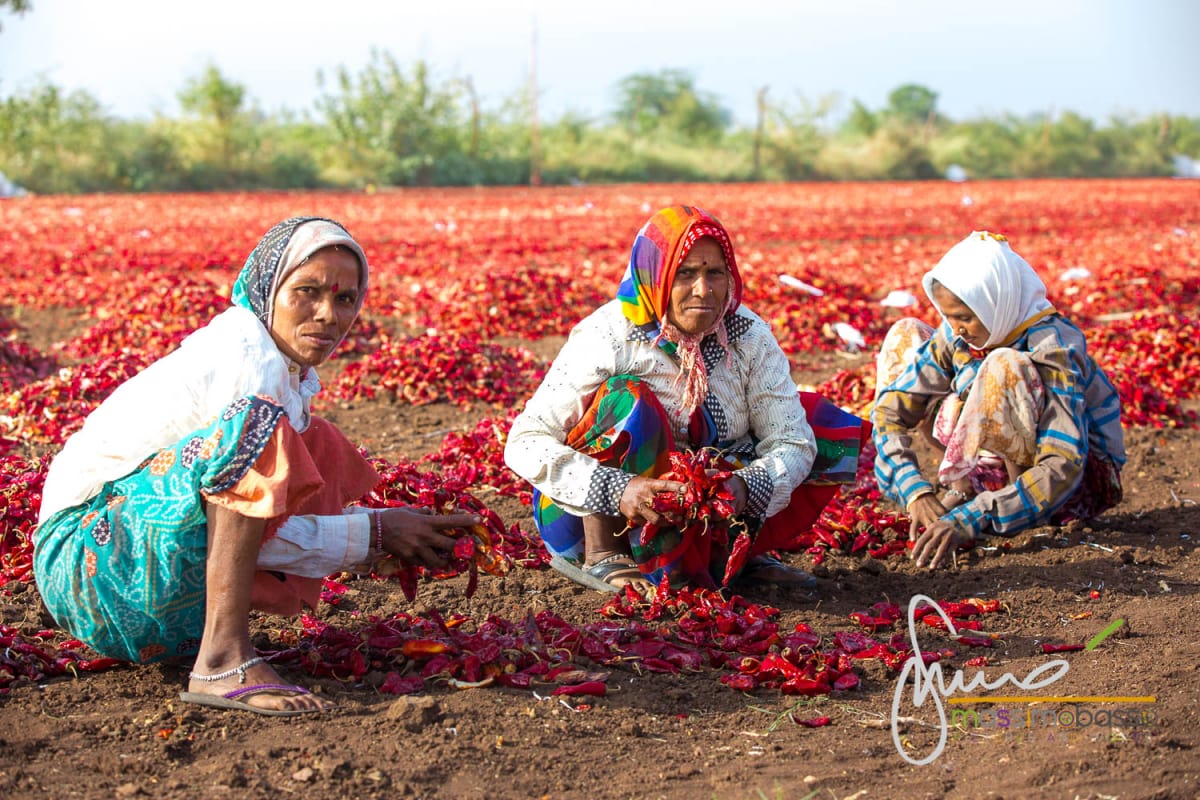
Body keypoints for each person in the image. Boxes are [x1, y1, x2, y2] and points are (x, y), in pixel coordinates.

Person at [34, 217, 480, 716]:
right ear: (268, 289)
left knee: (318, 443)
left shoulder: (288, 372)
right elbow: (240, 508)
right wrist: (371, 533)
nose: (327, 314)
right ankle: (222, 656)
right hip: (90, 561)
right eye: (306, 292)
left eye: (344, 299)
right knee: (258, 427)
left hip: (141, 574)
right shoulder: (250, 361)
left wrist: (373, 536)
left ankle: (215, 644)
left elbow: (251, 523)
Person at [504, 204, 867, 594]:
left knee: (817, 423)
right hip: (607, 506)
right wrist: (619, 489)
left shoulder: (748, 334)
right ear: (655, 276)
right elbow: (525, 442)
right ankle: (603, 551)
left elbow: (792, 440)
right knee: (625, 398)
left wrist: (747, 487)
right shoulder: (609, 335)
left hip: (700, 503)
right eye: (685, 273)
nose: (703, 290)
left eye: (715, 273)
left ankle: (736, 552)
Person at [872, 231, 1125, 569]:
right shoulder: (958, 333)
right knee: (905, 336)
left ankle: (1010, 508)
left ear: (996, 301)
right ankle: (966, 487)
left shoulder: (1051, 346)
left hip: (1072, 485)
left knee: (1004, 365)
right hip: (994, 463)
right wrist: (914, 490)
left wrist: (975, 519)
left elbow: (1064, 464)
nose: (956, 328)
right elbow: (890, 411)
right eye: (950, 316)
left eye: (965, 317)